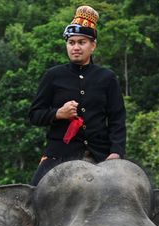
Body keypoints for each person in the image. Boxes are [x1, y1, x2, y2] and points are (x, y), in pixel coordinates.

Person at [28, 5, 126, 185]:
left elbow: (117, 119)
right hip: (59, 156)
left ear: (93, 45)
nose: (76, 47)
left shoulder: (107, 78)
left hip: (102, 156)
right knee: (31, 200)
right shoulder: (53, 75)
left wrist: (116, 152)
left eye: (82, 42)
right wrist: (58, 113)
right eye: (71, 42)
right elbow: (34, 115)